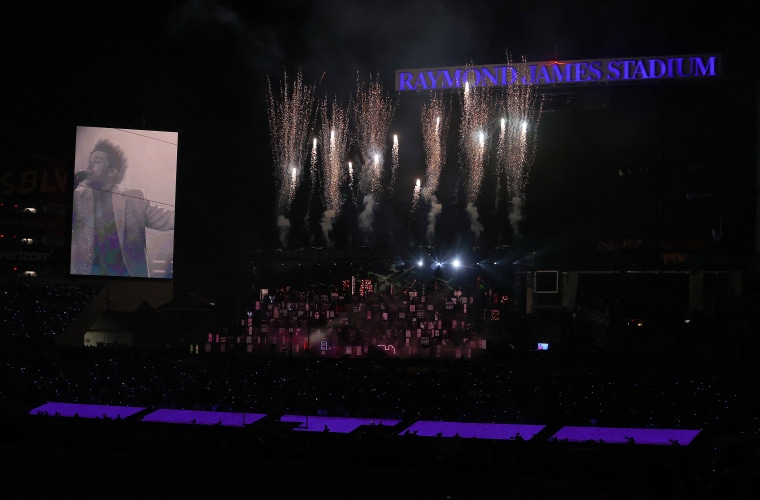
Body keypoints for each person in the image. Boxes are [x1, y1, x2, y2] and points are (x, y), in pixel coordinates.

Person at [71, 139, 175, 277]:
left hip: (127, 282)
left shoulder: (133, 198)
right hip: (86, 279)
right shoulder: (78, 197)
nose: (89, 166)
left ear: (112, 171)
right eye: (89, 161)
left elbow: (166, 219)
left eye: (96, 161)